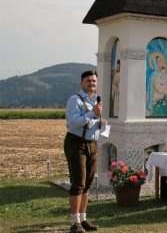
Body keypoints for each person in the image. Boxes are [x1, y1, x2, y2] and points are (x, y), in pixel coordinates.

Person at [64, 71, 104, 233]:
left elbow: (91, 122)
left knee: (88, 183)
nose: (92, 83)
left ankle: (83, 219)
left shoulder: (96, 101)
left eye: (94, 81)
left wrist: (101, 124)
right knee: (78, 183)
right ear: (81, 84)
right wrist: (92, 113)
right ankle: (75, 223)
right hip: (76, 143)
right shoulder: (75, 100)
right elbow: (73, 123)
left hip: (92, 144)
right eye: (88, 81)